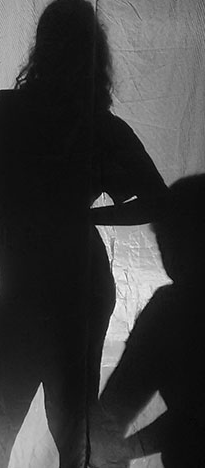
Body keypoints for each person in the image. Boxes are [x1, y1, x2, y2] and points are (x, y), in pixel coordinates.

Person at [0, 0, 168, 468]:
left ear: (42, 46)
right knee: (72, 433)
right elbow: (160, 201)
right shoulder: (99, 128)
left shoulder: (2, 112)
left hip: (23, 292)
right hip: (77, 291)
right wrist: (89, 218)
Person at [91, 173, 205, 467]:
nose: (165, 251)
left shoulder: (170, 311)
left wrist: (114, 449)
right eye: (163, 238)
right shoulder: (168, 311)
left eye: (175, 236)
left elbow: (192, 418)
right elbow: (118, 402)